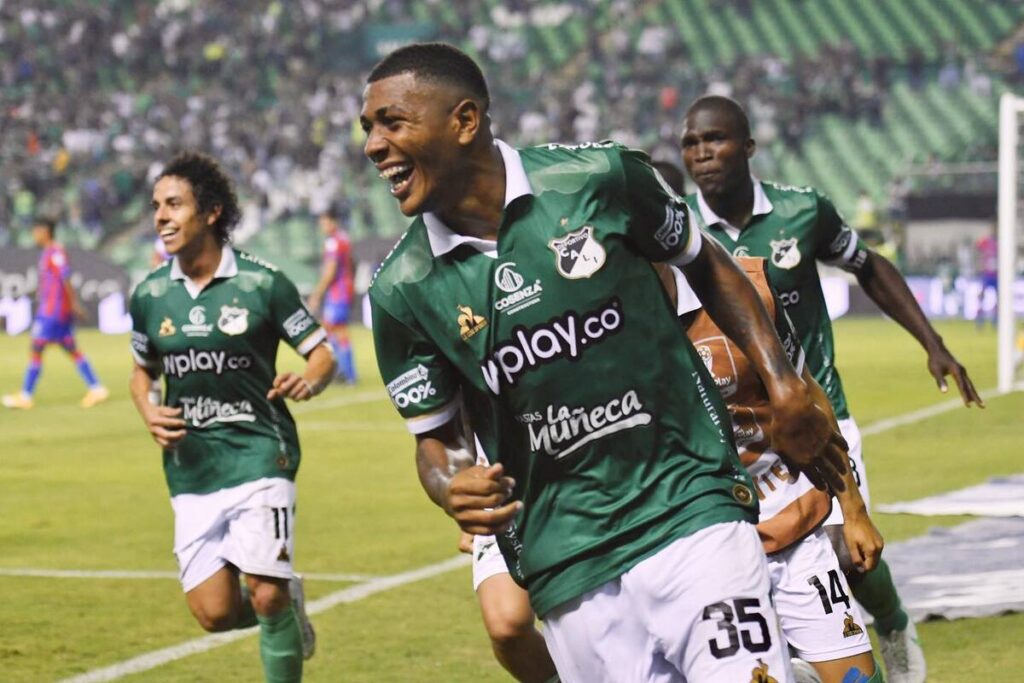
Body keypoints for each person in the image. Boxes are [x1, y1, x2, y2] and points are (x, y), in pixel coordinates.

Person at [363, 42, 847, 682]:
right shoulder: (401, 290)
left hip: (688, 503)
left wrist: (783, 382)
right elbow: (436, 442)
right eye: (368, 128)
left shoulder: (601, 179)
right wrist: (452, 485)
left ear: (465, 120)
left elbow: (704, 263)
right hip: (566, 559)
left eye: (391, 122)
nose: (373, 145)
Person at [679, 94, 983, 683]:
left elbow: (866, 264)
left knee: (850, 549)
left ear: (747, 145)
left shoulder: (802, 211)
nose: (701, 153)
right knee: (746, 563)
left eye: (714, 139)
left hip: (818, 412)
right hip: (732, 433)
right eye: (690, 144)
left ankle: (891, 622)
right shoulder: (682, 235)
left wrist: (932, 342)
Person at [128, 152, 335, 682]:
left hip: (260, 453)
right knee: (215, 614)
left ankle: (276, 603)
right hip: (191, 467)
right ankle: (286, 608)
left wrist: (307, 380)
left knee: (263, 591)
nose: (161, 217)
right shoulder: (150, 295)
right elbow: (140, 372)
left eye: (174, 204)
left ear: (212, 212)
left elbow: (321, 353)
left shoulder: (263, 284)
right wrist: (148, 409)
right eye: (156, 207)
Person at [665, 259, 884, 683]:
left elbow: (808, 396)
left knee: (858, 678)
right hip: (702, 545)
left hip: (790, 523)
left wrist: (853, 509)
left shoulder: (746, 288)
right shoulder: (612, 320)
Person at [2, 217, 109, 410]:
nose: (34, 234)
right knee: (72, 349)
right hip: (54, 310)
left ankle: (26, 395)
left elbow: (65, 278)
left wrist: (73, 304)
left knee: (36, 348)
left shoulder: (56, 252)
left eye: (36, 230)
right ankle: (96, 387)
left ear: (45, 231)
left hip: (53, 312)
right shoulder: (48, 252)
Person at [308, 205, 357, 383]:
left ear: (333, 222)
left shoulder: (333, 242)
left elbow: (330, 272)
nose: (323, 226)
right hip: (345, 291)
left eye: (325, 222)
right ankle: (345, 373)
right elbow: (352, 264)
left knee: (332, 330)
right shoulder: (344, 238)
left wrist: (317, 294)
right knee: (335, 330)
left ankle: (346, 374)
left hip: (337, 293)